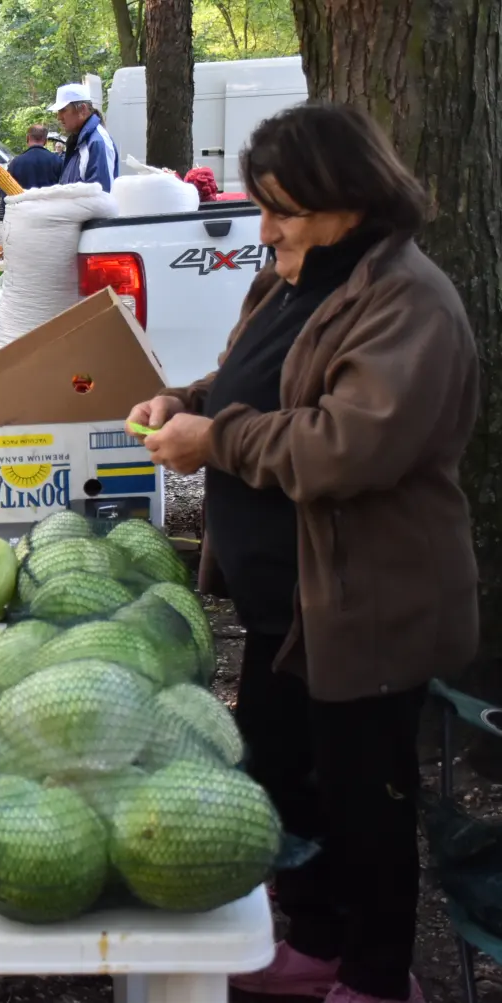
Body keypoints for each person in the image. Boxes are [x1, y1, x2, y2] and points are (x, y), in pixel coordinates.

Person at [128, 102, 477, 1003]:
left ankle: (377, 975)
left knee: (368, 796)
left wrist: (217, 440)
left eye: (284, 207)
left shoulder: (406, 299)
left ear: (350, 199)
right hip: (290, 606)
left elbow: (345, 444)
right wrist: (186, 398)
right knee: (285, 771)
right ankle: (317, 940)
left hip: (365, 602)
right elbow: (257, 377)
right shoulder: (298, 275)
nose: (265, 225)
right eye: (264, 203)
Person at [51, 83, 119, 192]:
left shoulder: (97, 143)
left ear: (82, 109)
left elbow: (100, 198)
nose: (59, 117)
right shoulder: (77, 143)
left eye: (63, 110)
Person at [8, 124, 65, 190]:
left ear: (27, 138)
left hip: (24, 199)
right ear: (46, 141)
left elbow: (4, 190)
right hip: (50, 200)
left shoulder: (15, 163)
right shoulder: (58, 161)